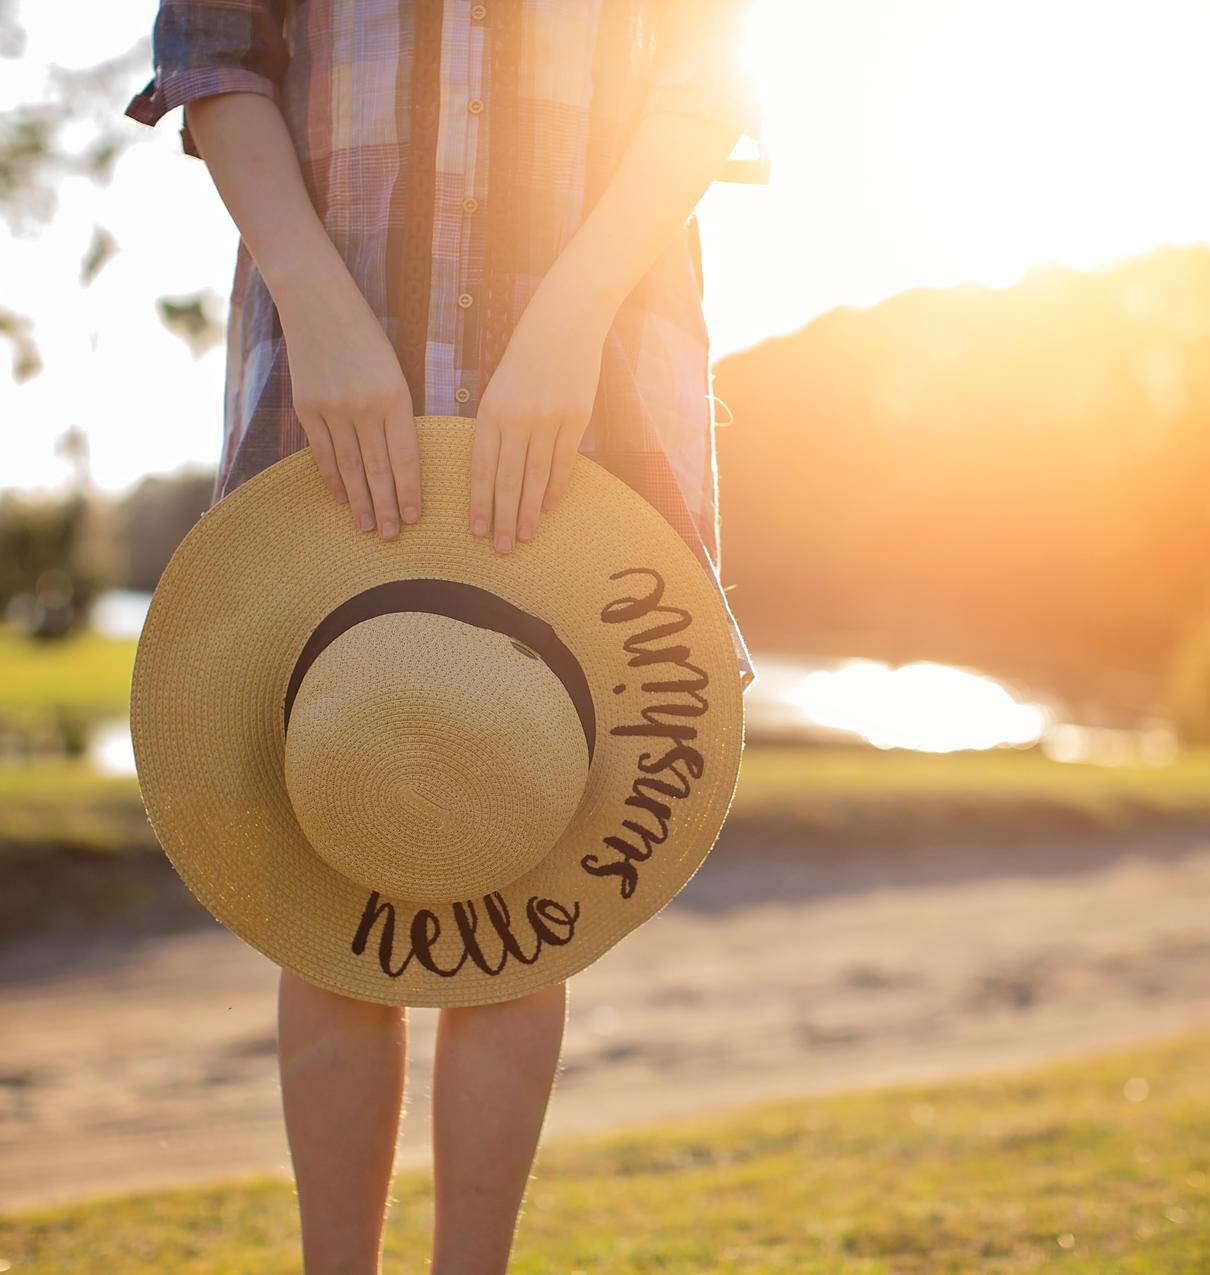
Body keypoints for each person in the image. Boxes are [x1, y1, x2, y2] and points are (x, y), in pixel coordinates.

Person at [123, 2, 763, 1271]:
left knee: (519, 840)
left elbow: (711, 72)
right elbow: (214, 51)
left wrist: (573, 316)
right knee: (337, 853)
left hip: (590, 376)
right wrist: (318, 306)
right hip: (337, 373)